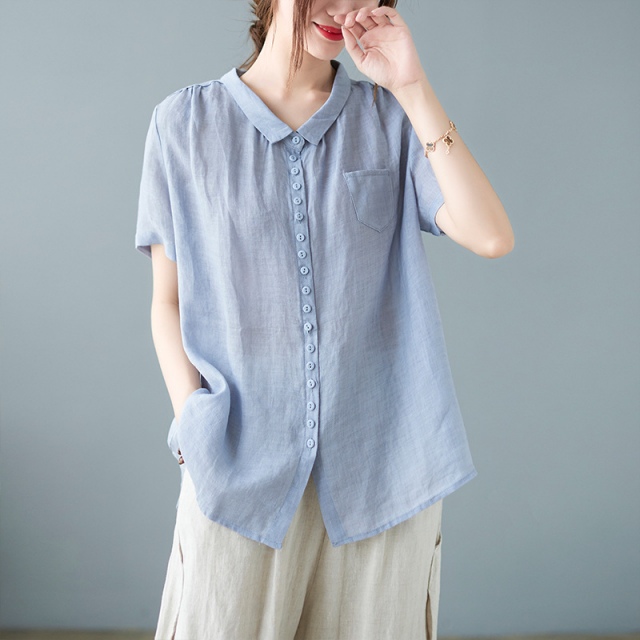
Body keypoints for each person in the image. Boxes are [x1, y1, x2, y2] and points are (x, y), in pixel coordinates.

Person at [135, 0, 514, 638]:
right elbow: (166, 301)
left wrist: (412, 87)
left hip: (385, 472)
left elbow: (491, 235)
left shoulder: (389, 119)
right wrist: (192, 425)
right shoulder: (184, 124)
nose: (345, 9)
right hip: (237, 471)